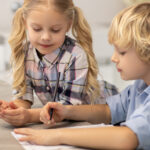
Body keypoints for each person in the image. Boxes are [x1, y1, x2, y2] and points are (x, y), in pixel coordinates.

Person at [14, 2, 150, 150]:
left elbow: (128, 137)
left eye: (122, 52)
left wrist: (57, 136)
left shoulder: (75, 54)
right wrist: (67, 111)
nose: (113, 58)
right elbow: (107, 111)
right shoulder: (139, 87)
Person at [0, 0, 118, 127]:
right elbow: (24, 98)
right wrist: (13, 109)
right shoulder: (24, 53)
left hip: (109, 107)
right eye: (37, 29)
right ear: (25, 23)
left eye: (55, 30)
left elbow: (68, 108)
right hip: (67, 114)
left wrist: (29, 116)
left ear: (68, 25)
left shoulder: (75, 55)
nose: (45, 37)